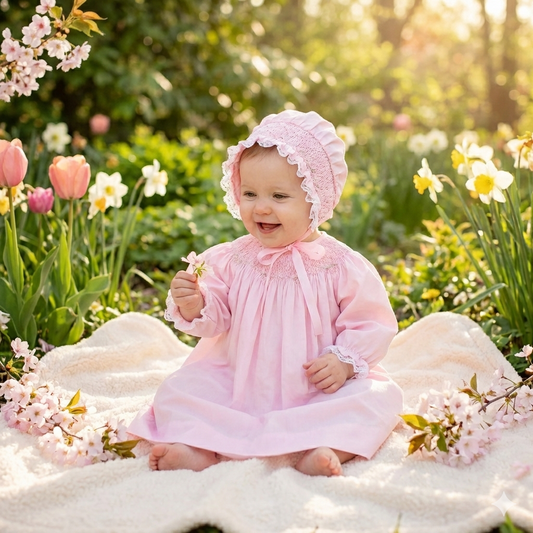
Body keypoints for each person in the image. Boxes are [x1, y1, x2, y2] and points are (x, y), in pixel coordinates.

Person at [128, 110, 403, 476]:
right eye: (250, 193)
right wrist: (196, 303)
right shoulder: (231, 259)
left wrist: (345, 360)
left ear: (315, 200)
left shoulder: (339, 265)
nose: (261, 207)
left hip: (313, 387)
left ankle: (323, 449)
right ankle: (199, 450)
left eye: (278, 195)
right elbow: (215, 317)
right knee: (180, 393)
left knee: (375, 401)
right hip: (238, 382)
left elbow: (373, 322)